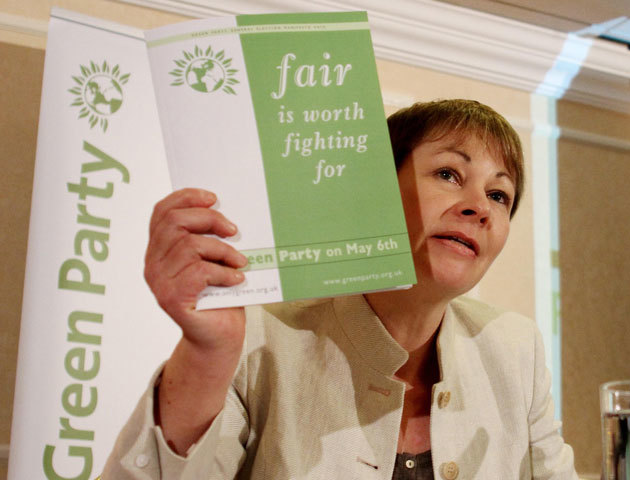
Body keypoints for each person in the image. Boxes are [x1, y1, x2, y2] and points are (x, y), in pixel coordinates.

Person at [101, 100, 578, 479]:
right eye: (449, 175)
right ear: (374, 194)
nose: (480, 207)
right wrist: (207, 352)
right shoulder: (260, 338)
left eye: (500, 195)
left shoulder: (516, 350)